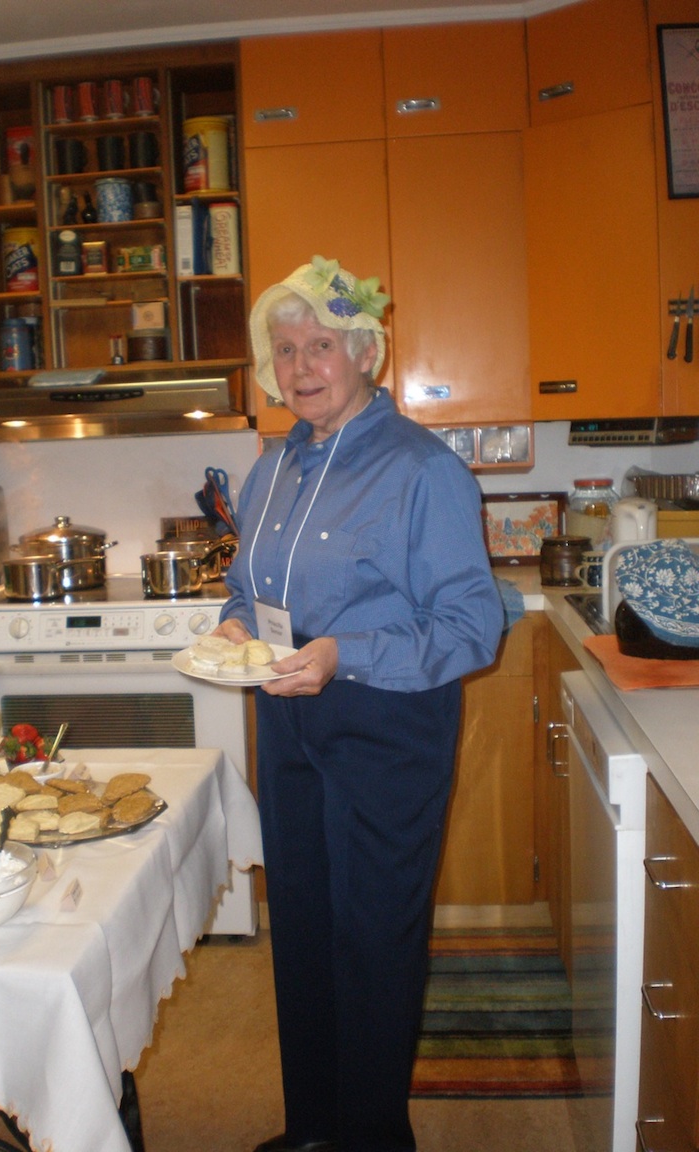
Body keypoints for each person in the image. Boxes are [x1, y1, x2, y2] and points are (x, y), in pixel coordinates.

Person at [214, 256, 504, 1152]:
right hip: (288, 718)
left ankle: (374, 1138)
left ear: (367, 353)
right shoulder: (269, 470)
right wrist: (233, 626)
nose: (301, 367)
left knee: (373, 938)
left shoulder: (423, 470)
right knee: (301, 925)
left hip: (386, 726)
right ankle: (314, 1128)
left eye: (321, 346)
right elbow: (244, 587)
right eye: (285, 349)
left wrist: (347, 654)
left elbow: (473, 626)